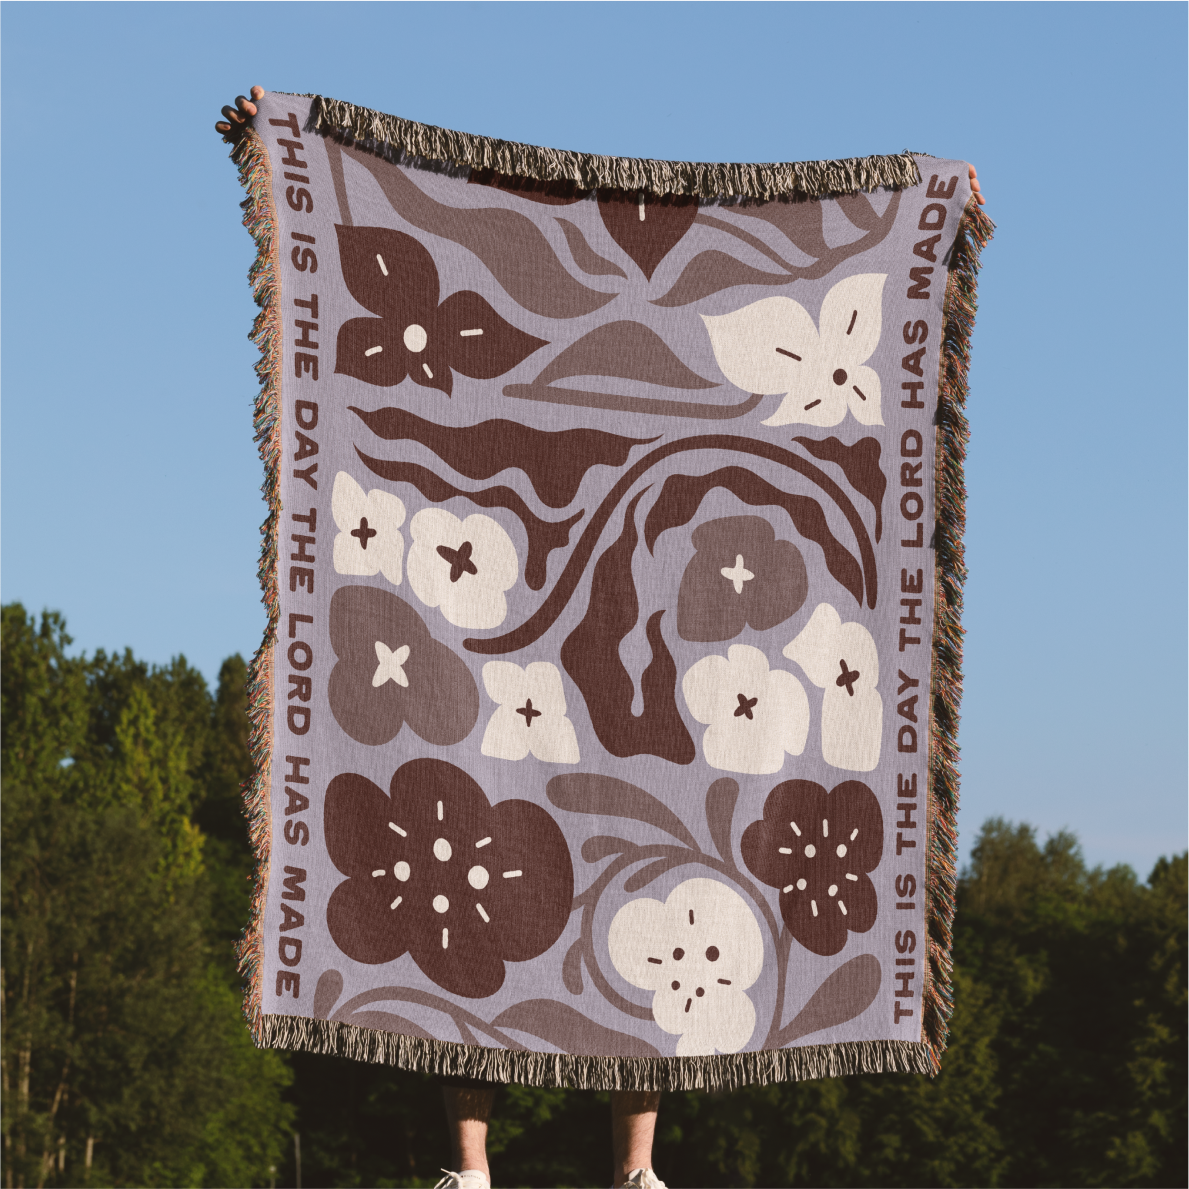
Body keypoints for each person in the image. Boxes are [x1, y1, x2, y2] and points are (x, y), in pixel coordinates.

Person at [214, 87, 985, 1189]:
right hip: (494, 619)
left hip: (646, 646)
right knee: (454, 851)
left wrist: (928, 205)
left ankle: (635, 1169)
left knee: (674, 873)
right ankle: (471, 1168)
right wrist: (285, 127)